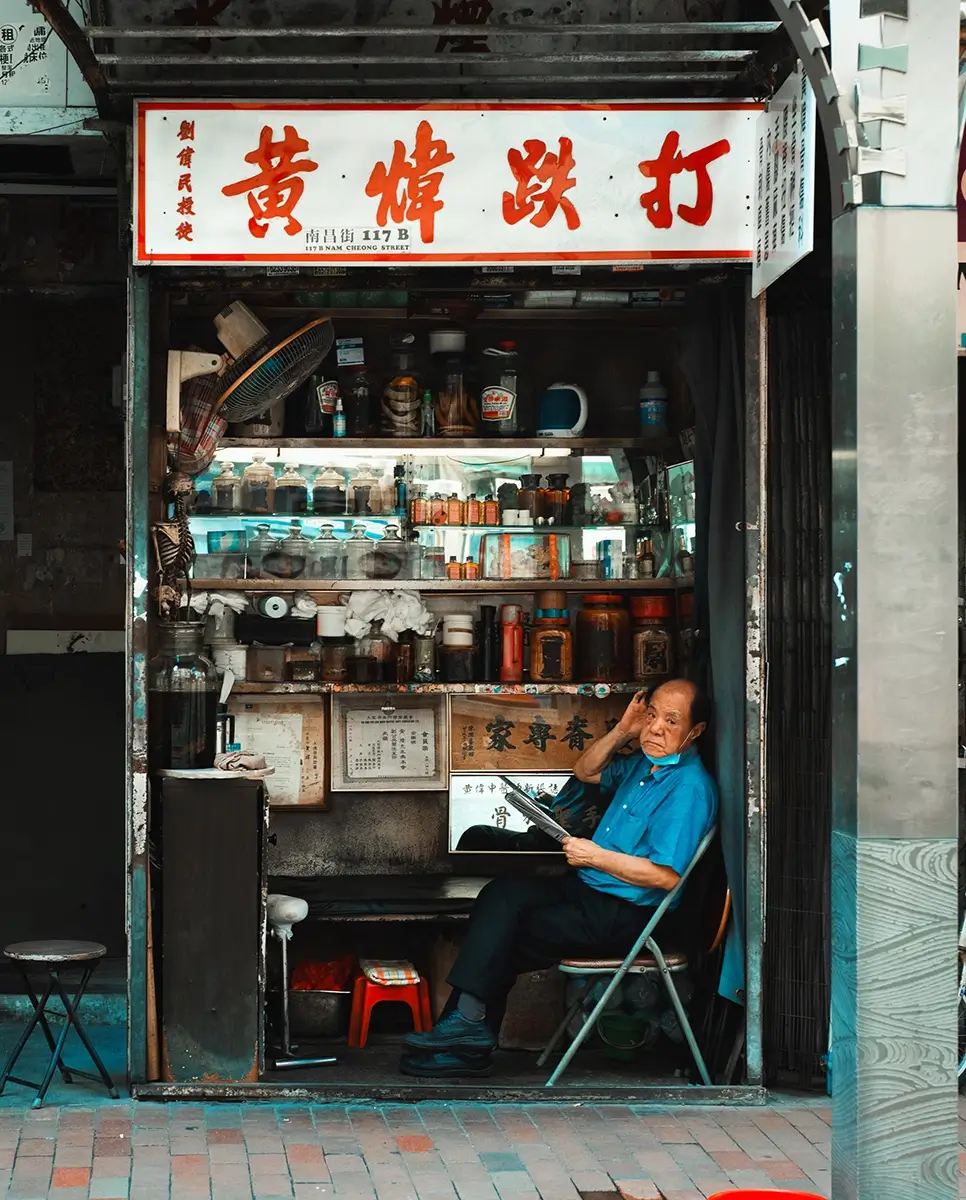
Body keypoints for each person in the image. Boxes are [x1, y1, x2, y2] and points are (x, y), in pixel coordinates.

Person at [400, 679, 719, 1077]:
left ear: (696, 731)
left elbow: (666, 876)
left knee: (504, 934)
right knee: (501, 896)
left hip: (627, 914)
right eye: (651, 715)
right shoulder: (646, 764)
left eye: (671, 721)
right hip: (588, 889)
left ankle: (465, 1036)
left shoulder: (688, 788)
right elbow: (586, 770)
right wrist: (624, 729)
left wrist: (595, 855)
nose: (655, 728)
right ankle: (466, 1031)